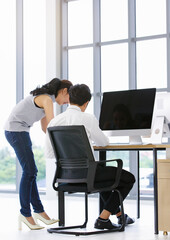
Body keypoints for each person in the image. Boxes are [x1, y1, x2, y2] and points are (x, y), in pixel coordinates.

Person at [45, 84, 136, 230]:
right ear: (87, 103)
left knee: (102, 174)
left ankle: (119, 215)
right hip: (87, 176)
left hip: (64, 177)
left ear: (69, 99)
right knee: (128, 178)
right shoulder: (87, 118)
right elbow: (104, 142)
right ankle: (103, 219)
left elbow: (50, 153)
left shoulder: (55, 122)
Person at [4, 78, 73, 230]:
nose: (68, 102)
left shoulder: (45, 100)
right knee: (29, 171)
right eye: (69, 98)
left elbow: (45, 128)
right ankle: (25, 214)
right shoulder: (47, 100)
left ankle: (39, 212)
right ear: (64, 91)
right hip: (15, 131)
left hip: (21, 131)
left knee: (31, 172)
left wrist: (56, 144)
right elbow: (52, 125)